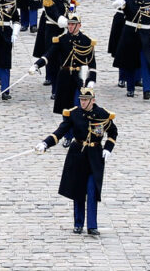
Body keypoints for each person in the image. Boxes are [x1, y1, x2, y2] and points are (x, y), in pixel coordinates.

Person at [34, 88, 117, 236]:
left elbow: (113, 132)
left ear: (93, 101)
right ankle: (78, 223)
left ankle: (92, 226)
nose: (82, 102)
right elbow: (60, 131)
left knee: (92, 190)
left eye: (85, 100)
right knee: (78, 190)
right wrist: (45, 143)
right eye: (81, 99)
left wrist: (108, 148)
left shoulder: (103, 114)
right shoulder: (74, 114)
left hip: (95, 156)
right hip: (77, 155)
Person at [32, 13, 97, 115]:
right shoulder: (62, 39)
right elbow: (49, 55)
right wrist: (37, 65)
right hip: (65, 77)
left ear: (79, 25)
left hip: (80, 78)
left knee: (78, 107)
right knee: (65, 110)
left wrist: (92, 80)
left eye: (73, 24)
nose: (70, 27)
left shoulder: (86, 41)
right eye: (69, 24)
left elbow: (92, 63)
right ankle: (67, 130)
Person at [105, 0, 136, 87]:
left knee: (135, 49)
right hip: (121, 19)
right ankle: (121, 77)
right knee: (120, 49)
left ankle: (136, 77)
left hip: (134, 19)